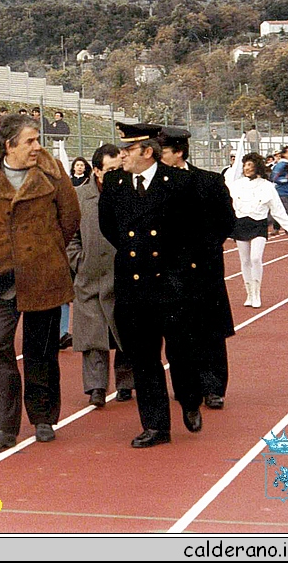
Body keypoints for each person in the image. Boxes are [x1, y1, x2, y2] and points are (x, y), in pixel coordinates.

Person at [0, 113, 81, 450]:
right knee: (0, 347)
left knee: (41, 348)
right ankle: (2, 426)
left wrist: (45, 248)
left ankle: (43, 416)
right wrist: (6, 250)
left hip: (44, 271)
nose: (37, 146)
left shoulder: (54, 173)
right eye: (30, 140)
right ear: (9, 145)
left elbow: (70, 219)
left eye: (37, 140)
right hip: (1, 274)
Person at [98, 122, 205, 449]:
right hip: (133, 285)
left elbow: (193, 233)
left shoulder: (180, 183)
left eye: (128, 150)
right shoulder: (116, 183)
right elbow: (109, 227)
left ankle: (189, 398)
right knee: (144, 358)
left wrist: (178, 275)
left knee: (181, 352)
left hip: (171, 285)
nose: (121, 156)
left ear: (147, 151)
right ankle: (156, 426)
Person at [157, 127, 237, 411]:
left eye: (162, 151)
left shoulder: (209, 182)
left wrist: (204, 248)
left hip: (204, 269)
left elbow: (227, 221)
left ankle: (214, 387)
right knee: (178, 333)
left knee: (210, 331)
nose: (157, 156)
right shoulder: (154, 185)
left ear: (178, 152)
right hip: (167, 271)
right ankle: (186, 386)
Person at [67, 144, 134, 407]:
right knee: (94, 336)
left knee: (125, 331)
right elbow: (69, 235)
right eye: (111, 170)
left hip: (125, 275)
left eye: (120, 169)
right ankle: (95, 386)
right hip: (91, 274)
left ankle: (126, 382)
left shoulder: (131, 193)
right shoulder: (79, 196)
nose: (117, 174)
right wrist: (79, 260)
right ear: (96, 170)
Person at [225, 152, 288, 307]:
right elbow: (225, 205)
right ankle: (249, 293)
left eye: (251, 165)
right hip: (240, 225)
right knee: (245, 261)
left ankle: (257, 293)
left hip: (258, 225)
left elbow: (278, 210)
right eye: (245, 165)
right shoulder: (236, 185)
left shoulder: (266, 186)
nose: (247, 168)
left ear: (257, 167)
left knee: (255, 258)